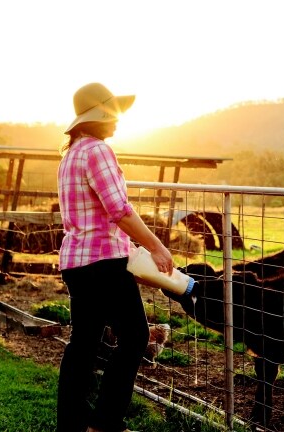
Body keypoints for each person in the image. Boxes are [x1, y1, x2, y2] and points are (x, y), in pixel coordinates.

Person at [56, 82, 173, 432]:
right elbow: (119, 210)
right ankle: (105, 423)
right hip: (102, 264)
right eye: (114, 112)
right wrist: (156, 246)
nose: (118, 119)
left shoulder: (70, 155)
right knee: (135, 337)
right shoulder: (98, 151)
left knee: (83, 344)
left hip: (77, 263)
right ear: (100, 114)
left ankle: (72, 424)